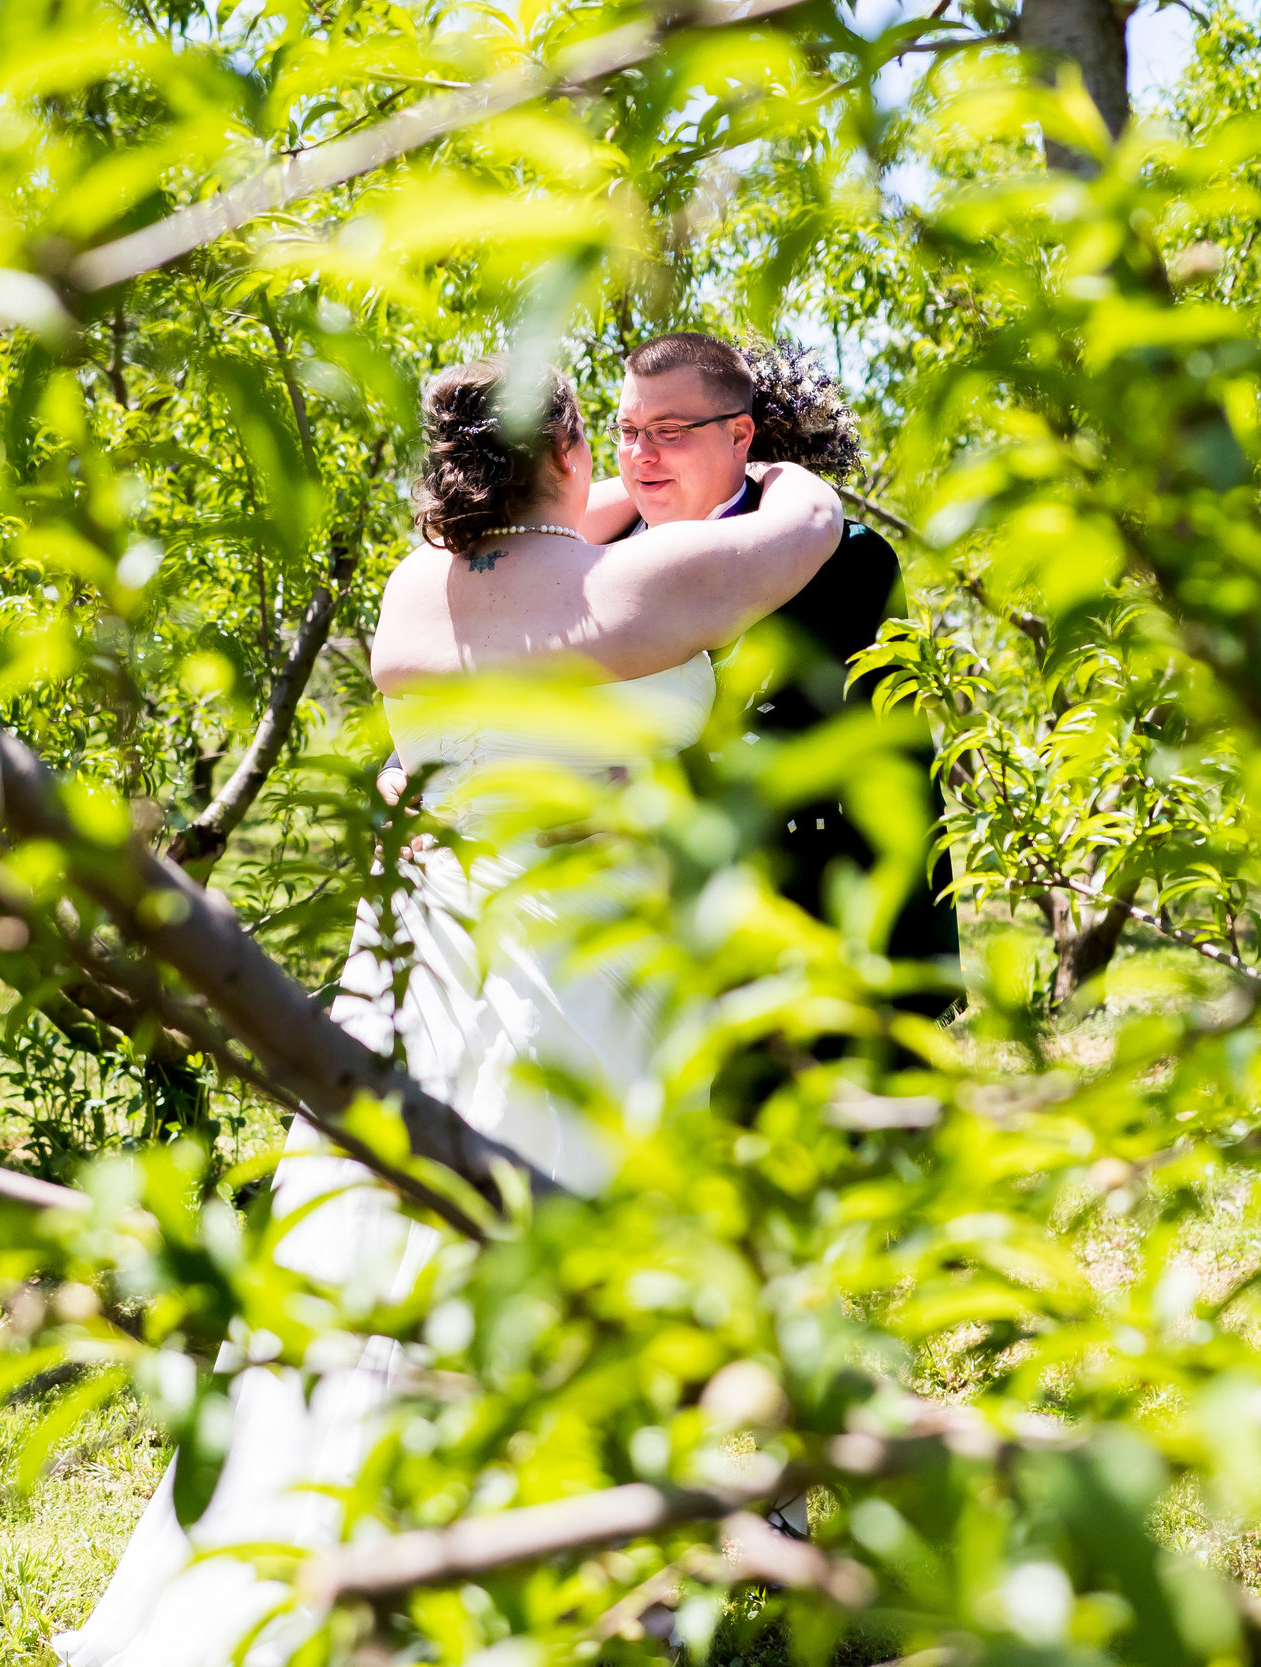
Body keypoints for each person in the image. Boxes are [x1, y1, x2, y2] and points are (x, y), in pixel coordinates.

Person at [53, 357, 845, 1667]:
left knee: (378, 1249)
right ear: (570, 452)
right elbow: (797, 539)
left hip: (426, 951)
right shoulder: (631, 589)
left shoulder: (421, 588)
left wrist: (603, 493)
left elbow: (548, 559)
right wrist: (779, 473)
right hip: (569, 958)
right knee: (563, 1220)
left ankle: (352, 1549)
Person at [589, 331, 959, 998]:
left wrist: (914, 970)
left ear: (740, 437)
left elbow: (881, 757)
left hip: (800, 939)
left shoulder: (846, 561)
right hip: (615, 944)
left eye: (668, 431)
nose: (640, 456)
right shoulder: (591, 552)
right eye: (628, 430)